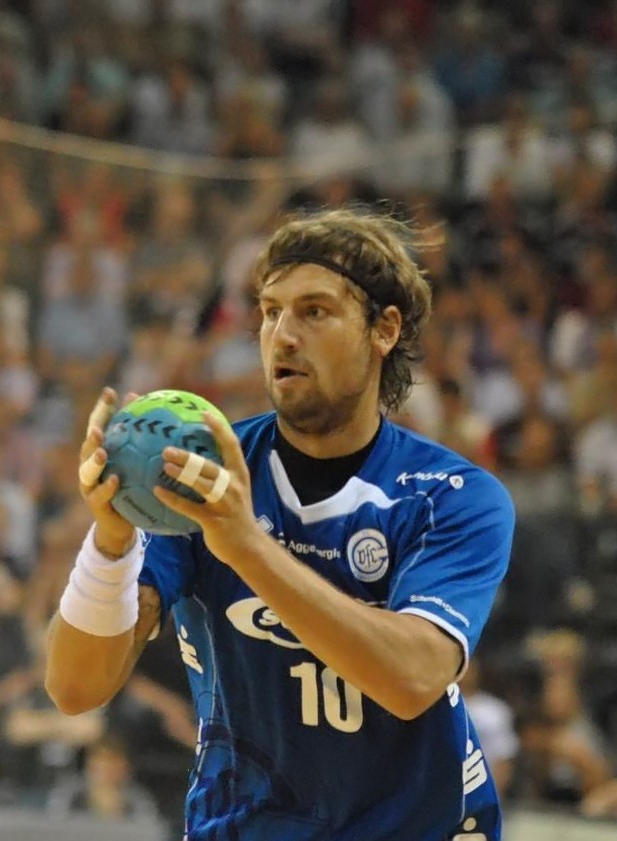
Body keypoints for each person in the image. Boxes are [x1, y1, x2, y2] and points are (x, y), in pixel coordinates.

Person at [46, 208, 516, 839]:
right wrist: (110, 541)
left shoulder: (451, 496)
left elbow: (413, 679)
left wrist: (246, 546)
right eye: (271, 312)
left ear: (383, 329)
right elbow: (75, 688)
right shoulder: (203, 475)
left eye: (314, 311)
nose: (283, 335)